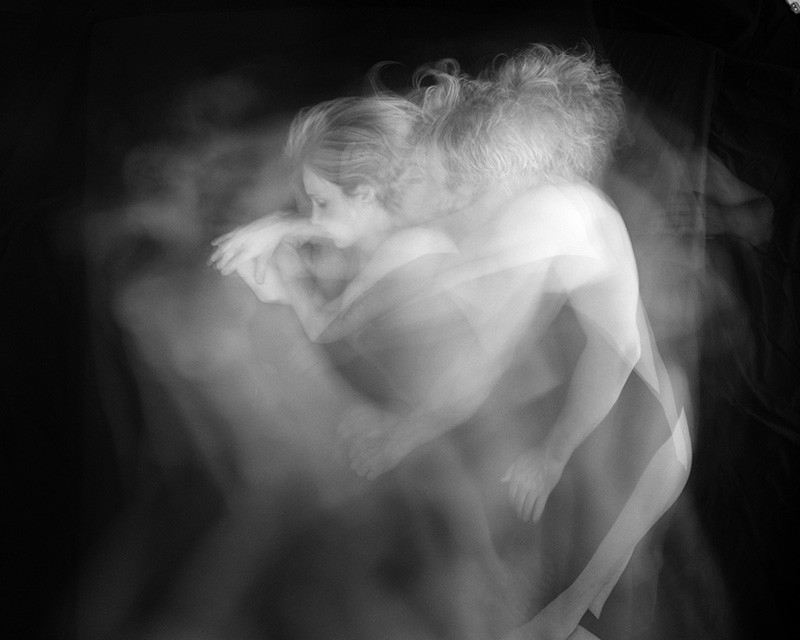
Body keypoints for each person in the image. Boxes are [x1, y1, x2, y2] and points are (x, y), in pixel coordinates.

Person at [211, 44, 692, 640]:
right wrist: (300, 230)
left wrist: (551, 451)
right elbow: (462, 325)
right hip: (600, 433)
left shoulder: (546, 216)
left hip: (631, 441)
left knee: (555, 624)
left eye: (439, 176)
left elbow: (502, 358)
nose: (433, 192)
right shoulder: (530, 209)